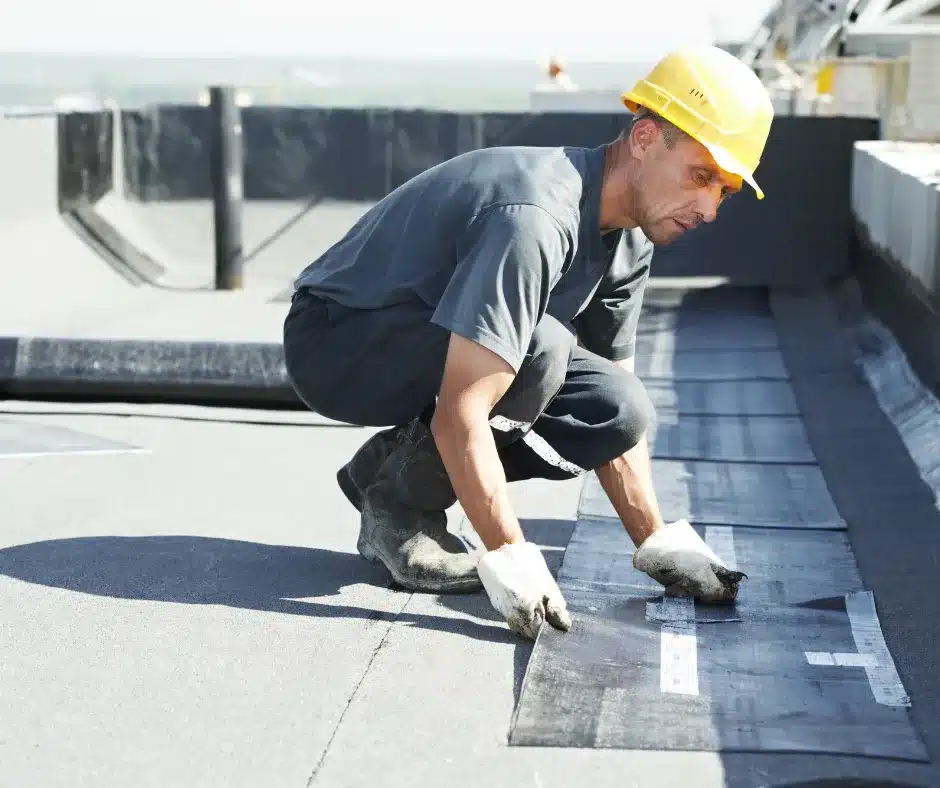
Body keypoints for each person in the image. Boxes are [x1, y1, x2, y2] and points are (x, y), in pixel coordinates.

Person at [283, 45, 775, 641]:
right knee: (540, 349)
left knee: (617, 409)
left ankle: (390, 468)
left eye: (722, 190)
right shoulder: (536, 216)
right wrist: (509, 554)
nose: (709, 209)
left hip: (430, 346)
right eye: (701, 177)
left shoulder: (632, 237)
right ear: (645, 140)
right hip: (342, 339)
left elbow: (613, 395)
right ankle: (400, 513)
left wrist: (656, 539)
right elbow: (466, 406)